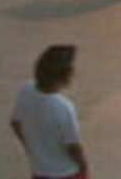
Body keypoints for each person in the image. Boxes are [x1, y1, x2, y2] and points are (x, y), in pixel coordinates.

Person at [10, 45, 88, 179]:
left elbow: (15, 123)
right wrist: (84, 167)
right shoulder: (64, 107)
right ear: (65, 76)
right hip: (66, 173)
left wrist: (33, 149)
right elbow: (73, 146)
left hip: (39, 171)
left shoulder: (26, 89)